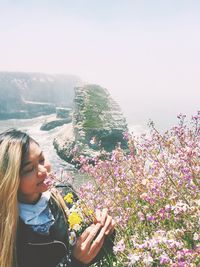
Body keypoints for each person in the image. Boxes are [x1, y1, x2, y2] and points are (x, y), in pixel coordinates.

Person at [0, 129, 115, 267]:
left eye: (42, 159)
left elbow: (96, 254)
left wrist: (104, 231)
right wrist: (74, 263)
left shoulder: (64, 195)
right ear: (10, 180)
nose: (43, 171)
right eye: (29, 169)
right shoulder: (7, 231)